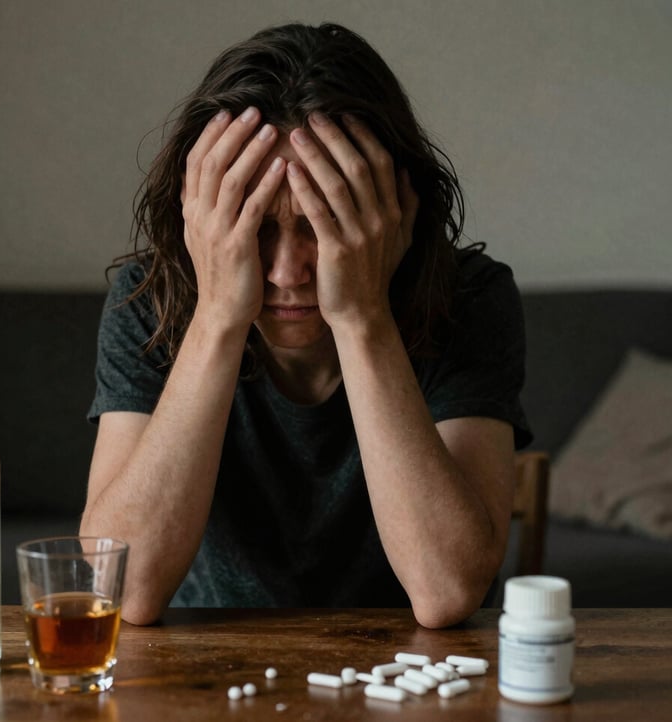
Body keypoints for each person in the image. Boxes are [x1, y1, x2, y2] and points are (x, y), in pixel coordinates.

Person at [80, 22, 531, 629]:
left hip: (413, 677)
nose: (289, 273)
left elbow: (447, 589)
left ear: (391, 214)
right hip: (203, 676)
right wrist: (217, 317)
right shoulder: (147, 300)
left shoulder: (470, 297)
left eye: (325, 222)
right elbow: (124, 589)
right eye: (254, 223)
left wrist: (362, 316)